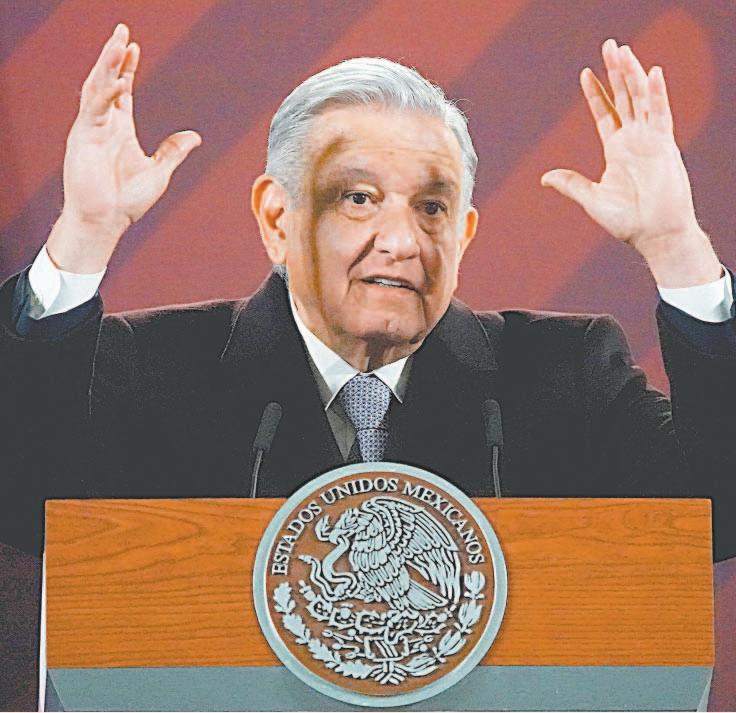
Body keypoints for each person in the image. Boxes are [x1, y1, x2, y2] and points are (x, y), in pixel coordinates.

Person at [1, 25, 734, 560]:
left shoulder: (566, 372)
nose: (403, 240)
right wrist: (83, 234)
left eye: (432, 207)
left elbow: (718, 516)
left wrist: (677, 246)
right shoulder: (149, 368)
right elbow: (24, 504)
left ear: (464, 233)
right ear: (277, 219)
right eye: (358, 198)